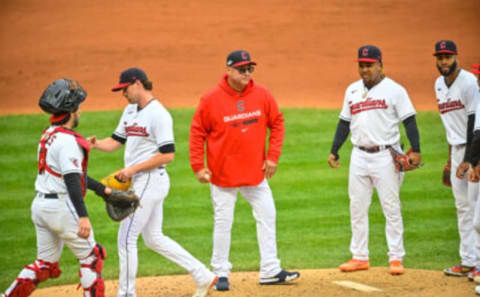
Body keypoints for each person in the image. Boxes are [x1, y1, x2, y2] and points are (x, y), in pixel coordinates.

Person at [87, 68, 217, 297]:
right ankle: (203, 275)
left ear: (137, 84)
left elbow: (168, 154)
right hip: (141, 181)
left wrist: (131, 170)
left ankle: (127, 294)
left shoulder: (159, 114)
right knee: (153, 238)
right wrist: (95, 144)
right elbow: (116, 142)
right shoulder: (129, 111)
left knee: (126, 238)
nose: (123, 94)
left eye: (124, 88)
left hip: (150, 180)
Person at [189, 50, 300, 291]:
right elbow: (197, 132)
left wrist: (273, 157)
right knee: (223, 223)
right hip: (223, 176)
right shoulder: (210, 100)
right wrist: (198, 166)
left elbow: (278, 123)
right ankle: (219, 273)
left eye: (250, 68)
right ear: (228, 71)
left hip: (255, 175)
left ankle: (270, 269)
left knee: (268, 214)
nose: (247, 73)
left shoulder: (262, 94)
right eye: (242, 69)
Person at [2, 78, 112, 297]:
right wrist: (82, 216)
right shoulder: (68, 141)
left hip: (41, 208)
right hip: (61, 209)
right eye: (78, 107)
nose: (80, 111)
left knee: (45, 265)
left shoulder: (49, 135)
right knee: (92, 259)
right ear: (71, 111)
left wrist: (103, 190)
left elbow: (69, 175)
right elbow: (72, 181)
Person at [328, 45, 421, 275]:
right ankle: (360, 256)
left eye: (369, 65)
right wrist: (335, 150)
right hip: (358, 155)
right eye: (361, 65)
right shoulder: (351, 90)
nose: (365, 69)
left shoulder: (394, 90)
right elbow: (344, 123)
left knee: (391, 207)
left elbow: (409, 121)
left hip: (386, 156)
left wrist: (416, 149)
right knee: (357, 207)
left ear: (380, 64)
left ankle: (396, 258)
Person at [432, 40, 480, 278]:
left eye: (448, 57)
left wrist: (470, 159)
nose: (444, 62)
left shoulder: (470, 82)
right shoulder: (438, 84)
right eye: (440, 57)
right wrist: (451, 159)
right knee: (462, 207)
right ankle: (469, 261)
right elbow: (451, 125)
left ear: (456, 57)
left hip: (475, 150)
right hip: (457, 150)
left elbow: (474, 123)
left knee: (476, 208)